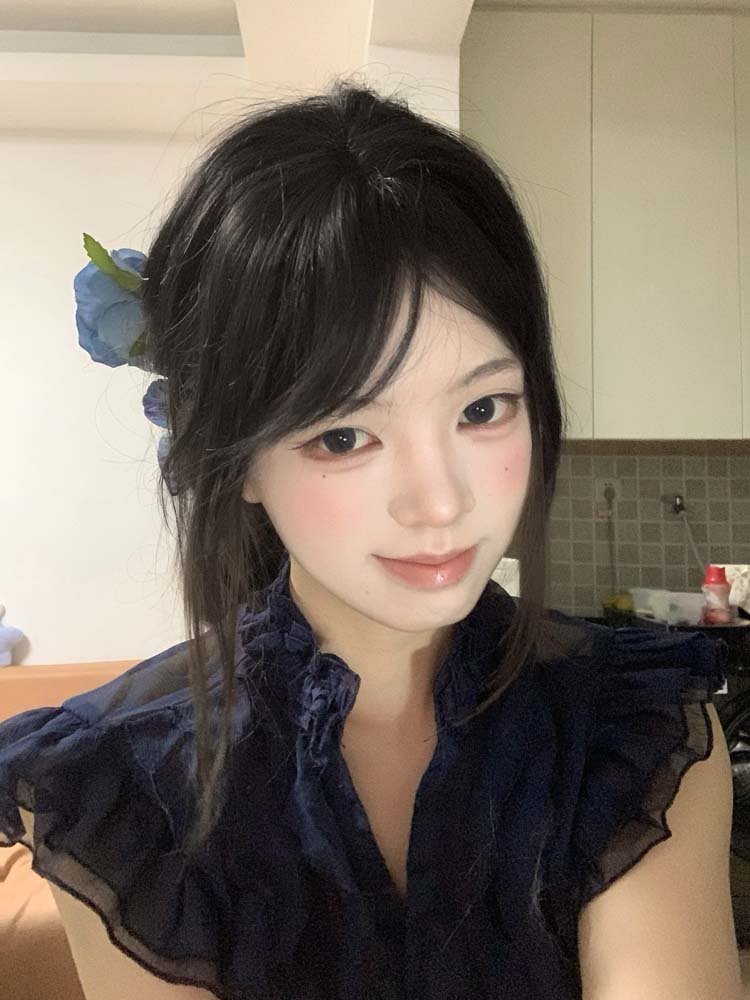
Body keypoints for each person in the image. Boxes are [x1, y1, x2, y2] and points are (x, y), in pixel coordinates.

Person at [0, 78, 742, 1000]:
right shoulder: (117, 790)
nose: (440, 502)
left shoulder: (635, 730)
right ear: (235, 458)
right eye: (345, 435)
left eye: (483, 408)